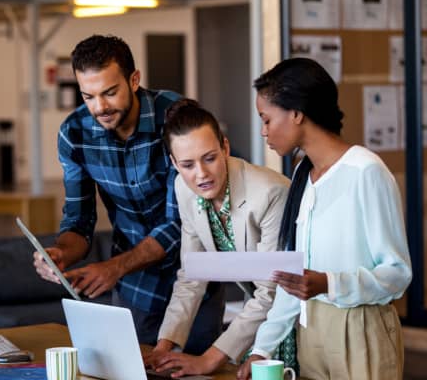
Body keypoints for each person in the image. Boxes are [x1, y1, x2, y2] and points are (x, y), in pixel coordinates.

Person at [33, 35, 223, 350]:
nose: (100, 107)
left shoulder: (177, 118)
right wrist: (61, 254)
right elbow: (79, 219)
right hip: (135, 290)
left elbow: (183, 220)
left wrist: (115, 266)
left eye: (110, 92)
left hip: (194, 280)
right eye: (88, 96)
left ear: (134, 80)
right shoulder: (75, 134)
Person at [237, 57, 412, 380]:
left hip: (361, 332)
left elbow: (397, 274)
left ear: (296, 113)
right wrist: (262, 348)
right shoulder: (303, 175)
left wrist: (328, 283)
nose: (263, 132)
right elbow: (295, 280)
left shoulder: (366, 172)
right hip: (311, 333)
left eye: (267, 119)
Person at [144, 99, 290, 377]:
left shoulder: (270, 193)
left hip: (290, 319)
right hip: (255, 321)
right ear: (174, 163)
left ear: (225, 147)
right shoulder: (183, 189)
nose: (201, 174)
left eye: (209, 158)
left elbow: (272, 290)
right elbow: (191, 276)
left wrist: (209, 360)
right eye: (187, 164)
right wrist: (163, 348)